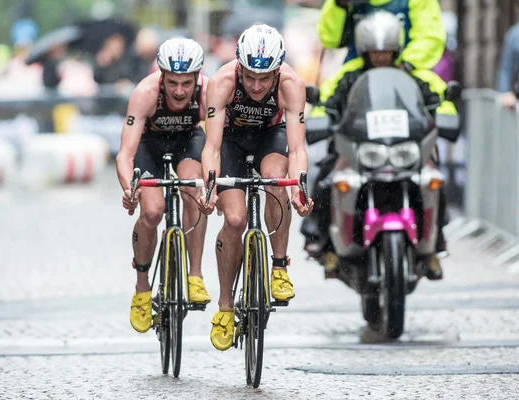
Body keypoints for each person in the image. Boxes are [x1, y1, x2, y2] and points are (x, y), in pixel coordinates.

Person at [302, 11, 458, 280]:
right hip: (361, 149)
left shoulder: (414, 74)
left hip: (404, 150)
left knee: (434, 178)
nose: (381, 57)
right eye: (375, 52)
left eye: (386, 52)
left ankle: (436, 242)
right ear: (365, 50)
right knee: (327, 177)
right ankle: (322, 240)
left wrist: (447, 113)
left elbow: (438, 97)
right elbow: (327, 99)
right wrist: (320, 117)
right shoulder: (349, 74)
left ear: (395, 49)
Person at [198, 24, 314, 351]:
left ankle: (278, 266)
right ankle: (224, 307)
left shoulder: (291, 84)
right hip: (231, 142)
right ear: (239, 65)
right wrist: (210, 187)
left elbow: (298, 149)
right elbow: (211, 148)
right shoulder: (221, 82)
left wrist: (298, 190)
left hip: (270, 137)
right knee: (234, 220)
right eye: (250, 77)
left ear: (277, 71)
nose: (257, 85)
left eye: (265, 78)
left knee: (277, 179)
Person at [116, 38, 211, 334]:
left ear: (196, 77)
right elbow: (125, 154)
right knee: (153, 211)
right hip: (149, 145)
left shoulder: (207, 91)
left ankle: (194, 275)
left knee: (194, 190)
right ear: (162, 76)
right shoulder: (145, 92)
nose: (180, 91)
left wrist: (212, 185)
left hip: (188, 142)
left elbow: (216, 143)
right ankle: (142, 287)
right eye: (172, 83)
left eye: (186, 83)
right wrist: (129, 189)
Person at [317, 0, 446, 68]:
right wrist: (340, 4)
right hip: (357, 76)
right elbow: (330, 39)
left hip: (407, 73)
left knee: (441, 103)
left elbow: (430, 36)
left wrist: (406, 65)